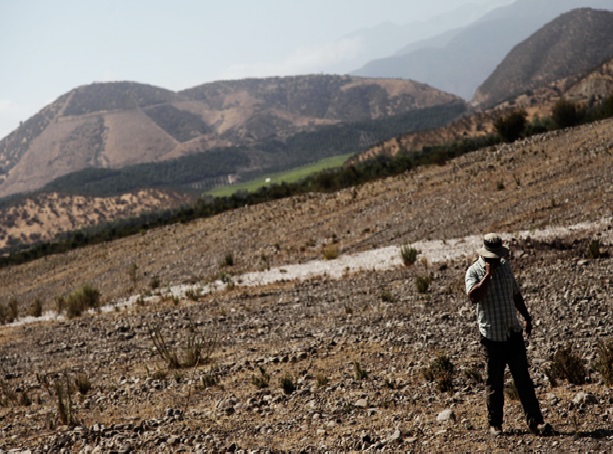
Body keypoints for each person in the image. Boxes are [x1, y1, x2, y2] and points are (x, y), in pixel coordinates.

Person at [465, 233, 551, 436]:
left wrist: (527, 316)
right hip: (492, 337)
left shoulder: (505, 267)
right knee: (494, 383)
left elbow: (515, 294)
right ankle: (495, 424)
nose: (495, 259)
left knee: (524, 380)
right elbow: (474, 296)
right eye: (492, 256)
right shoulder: (473, 271)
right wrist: (487, 275)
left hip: (512, 332)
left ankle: (536, 422)